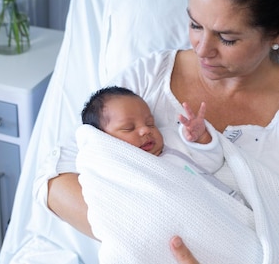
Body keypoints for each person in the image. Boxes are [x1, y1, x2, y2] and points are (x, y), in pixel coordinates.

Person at [47, 0, 279, 264]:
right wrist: (151, 240)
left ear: (275, 35)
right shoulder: (147, 79)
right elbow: (56, 178)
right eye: (194, 24)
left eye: (227, 38)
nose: (203, 49)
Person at [80, 85, 247, 203]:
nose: (145, 130)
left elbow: (211, 163)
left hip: (221, 209)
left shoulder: (172, 147)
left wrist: (201, 138)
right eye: (129, 128)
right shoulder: (115, 174)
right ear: (104, 141)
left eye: (150, 123)